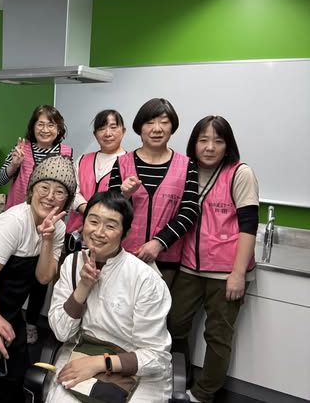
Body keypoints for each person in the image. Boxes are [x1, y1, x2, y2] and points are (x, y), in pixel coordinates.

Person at [46, 191, 172, 403]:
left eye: (111, 226)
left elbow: (157, 357)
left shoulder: (145, 279)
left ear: (126, 233)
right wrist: (83, 287)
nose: (98, 232)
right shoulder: (72, 264)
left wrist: (100, 363)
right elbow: (61, 332)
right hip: (82, 349)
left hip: (134, 362)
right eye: (93, 221)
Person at [167, 116, 259, 403]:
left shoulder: (239, 173)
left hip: (225, 272)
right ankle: (179, 378)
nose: (210, 147)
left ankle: (203, 393)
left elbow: (249, 226)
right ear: (194, 143)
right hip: (189, 267)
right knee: (174, 324)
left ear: (227, 145)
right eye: (203, 140)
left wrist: (238, 274)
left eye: (218, 141)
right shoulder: (186, 170)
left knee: (218, 336)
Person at [0, 155, 77, 403]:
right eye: (44, 187)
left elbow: (43, 277)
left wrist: (48, 239)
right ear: (31, 190)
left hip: (12, 310)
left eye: (59, 192)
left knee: (18, 377)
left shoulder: (58, 228)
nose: (50, 196)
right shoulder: (13, 223)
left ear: (67, 200)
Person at [0, 104, 73, 344]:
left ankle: (31, 322)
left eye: (51, 124)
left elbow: (69, 188)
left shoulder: (66, 153)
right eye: (40, 124)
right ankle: (1, 318)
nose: (45, 129)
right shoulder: (21, 149)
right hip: (18, 223)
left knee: (41, 278)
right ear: (33, 127)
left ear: (59, 128)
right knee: (9, 275)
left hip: (48, 224)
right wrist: (14, 165)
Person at [108, 97, 199, 287]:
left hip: (166, 258)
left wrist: (159, 242)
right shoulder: (122, 163)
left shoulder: (186, 165)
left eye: (164, 122)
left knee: (158, 305)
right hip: (123, 255)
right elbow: (109, 209)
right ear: (139, 128)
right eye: (149, 123)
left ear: (172, 128)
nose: (157, 129)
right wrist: (124, 196)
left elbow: (190, 211)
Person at [66, 109, 126, 237]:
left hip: (109, 236)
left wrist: (95, 217)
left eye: (113, 127)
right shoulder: (82, 160)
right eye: (102, 128)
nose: (108, 133)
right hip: (76, 233)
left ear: (123, 131)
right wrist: (87, 210)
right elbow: (72, 190)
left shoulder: (129, 163)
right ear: (95, 134)